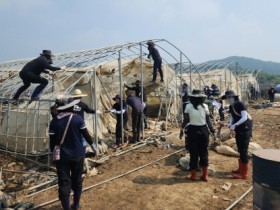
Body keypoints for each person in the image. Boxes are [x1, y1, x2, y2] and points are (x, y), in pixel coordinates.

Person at [49, 96, 97, 210]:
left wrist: (55, 153)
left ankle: (66, 208)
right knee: (77, 180)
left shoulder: (54, 122)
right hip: (77, 155)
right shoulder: (77, 119)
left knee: (64, 183)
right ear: (70, 107)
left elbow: (52, 145)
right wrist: (94, 146)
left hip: (62, 157)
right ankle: (75, 205)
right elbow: (86, 135)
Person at [184, 89, 215, 182]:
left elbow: (186, 120)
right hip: (204, 131)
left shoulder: (188, 106)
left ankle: (193, 176)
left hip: (192, 130)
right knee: (204, 152)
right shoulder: (205, 106)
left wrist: (182, 129)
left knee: (193, 153)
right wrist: (212, 129)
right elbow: (208, 120)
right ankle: (204, 176)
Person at [221, 90, 253, 179]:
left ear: (233, 97)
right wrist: (230, 124)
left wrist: (234, 125)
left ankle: (244, 173)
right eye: (227, 98)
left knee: (243, 150)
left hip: (245, 128)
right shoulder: (232, 106)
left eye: (228, 98)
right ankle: (240, 169)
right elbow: (232, 117)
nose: (227, 99)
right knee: (239, 148)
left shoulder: (240, 104)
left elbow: (244, 117)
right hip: (239, 128)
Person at [179, 83, 190, 150]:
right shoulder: (189, 89)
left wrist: (180, 94)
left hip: (185, 103)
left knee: (185, 116)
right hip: (188, 103)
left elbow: (181, 95)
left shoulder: (184, 89)